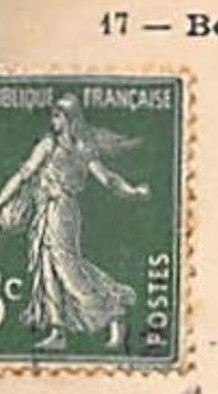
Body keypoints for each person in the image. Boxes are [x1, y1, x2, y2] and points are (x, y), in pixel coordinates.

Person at [0, 93, 149, 351]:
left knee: (68, 269)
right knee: (47, 269)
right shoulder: (49, 144)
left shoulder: (81, 148)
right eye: (53, 116)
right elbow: (24, 175)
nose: (53, 121)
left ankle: (114, 314)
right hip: (45, 211)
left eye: (58, 116)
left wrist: (132, 191)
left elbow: (108, 178)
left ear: (70, 119)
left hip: (63, 211)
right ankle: (58, 331)